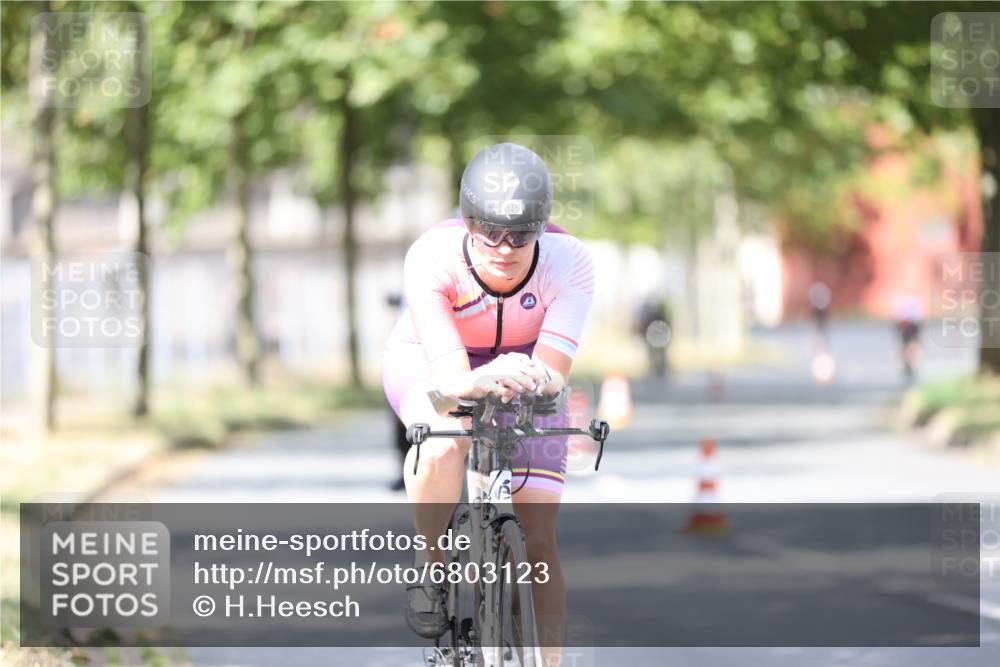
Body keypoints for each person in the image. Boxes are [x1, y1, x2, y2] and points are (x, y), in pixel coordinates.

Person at [381, 142, 595, 663]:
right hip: (432, 358)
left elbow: (550, 376)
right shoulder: (431, 256)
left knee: (539, 543)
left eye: (520, 234)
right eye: (488, 231)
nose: (504, 246)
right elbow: (452, 381)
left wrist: (515, 376)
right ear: (466, 222)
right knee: (439, 447)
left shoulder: (570, 262)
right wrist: (479, 376)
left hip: (525, 370)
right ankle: (433, 568)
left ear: (542, 227)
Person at [893, 294, 924, 383]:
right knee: (908, 346)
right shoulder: (907, 301)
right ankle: (908, 364)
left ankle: (910, 364)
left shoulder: (908, 301)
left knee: (909, 346)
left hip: (910, 325)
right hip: (908, 325)